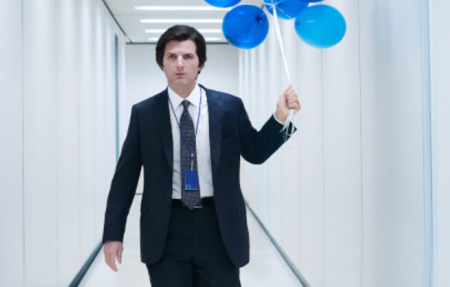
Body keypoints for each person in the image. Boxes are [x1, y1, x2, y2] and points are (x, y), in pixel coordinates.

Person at [101, 25, 301, 286]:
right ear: (161, 64)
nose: (180, 64)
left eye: (188, 57)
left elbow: (255, 152)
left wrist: (280, 119)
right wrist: (112, 234)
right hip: (166, 227)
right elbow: (124, 178)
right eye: (171, 57)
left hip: (219, 226)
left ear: (201, 63)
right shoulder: (144, 113)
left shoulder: (229, 107)